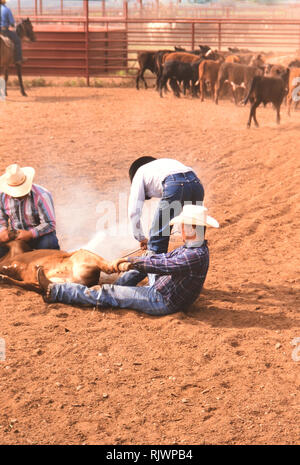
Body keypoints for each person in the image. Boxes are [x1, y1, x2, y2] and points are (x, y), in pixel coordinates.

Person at [36, 205, 219, 316]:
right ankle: (123, 287)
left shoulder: (193, 255)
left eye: (183, 226)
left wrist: (131, 261)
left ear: (192, 228)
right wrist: (138, 260)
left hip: (162, 300)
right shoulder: (193, 248)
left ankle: (55, 291)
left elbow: (165, 265)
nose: (180, 229)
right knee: (147, 260)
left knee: (108, 292)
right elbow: (163, 259)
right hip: (163, 290)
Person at [128, 157, 205, 255]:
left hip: (173, 184)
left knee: (157, 244)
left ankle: (153, 261)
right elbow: (185, 188)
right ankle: (195, 259)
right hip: (196, 184)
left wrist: (140, 237)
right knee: (195, 239)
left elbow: (133, 211)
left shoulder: (139, 173)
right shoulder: (165, 164)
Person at [0, 163, 60, 257]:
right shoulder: (2, 196)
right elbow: (1, 219)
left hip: (40, 236)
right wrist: (2, 231)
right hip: (16, 236)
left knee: (49, 244)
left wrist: (31, 234)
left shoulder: (42, 195)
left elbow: (49, 223)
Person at [0, 0, 24, 64]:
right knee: (18, 41)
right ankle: (18, 59)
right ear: (4, 2)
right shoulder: (7, 10)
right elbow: (12, 22)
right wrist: (13, 25)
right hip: (4, 31)